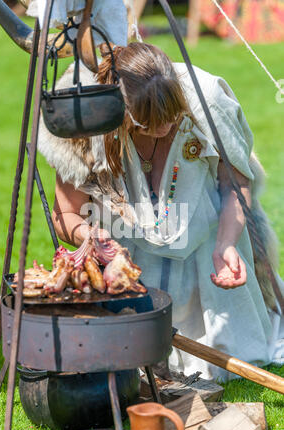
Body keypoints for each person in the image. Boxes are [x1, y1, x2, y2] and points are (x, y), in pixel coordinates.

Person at [38, 42, 284, 382]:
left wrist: (226, 244)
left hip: (205, 241)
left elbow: (234, 186)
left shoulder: (208, 100)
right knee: (128, 362)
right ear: (120, 114)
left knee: (226, 356)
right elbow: (66, 214)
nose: (164, 129)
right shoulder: (84, 116)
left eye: (172, 118)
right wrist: (90, 235)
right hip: (129, 259)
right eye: (149, 124)